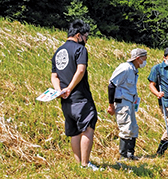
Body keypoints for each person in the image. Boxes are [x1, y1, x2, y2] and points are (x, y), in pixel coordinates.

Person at [51, 19, 99, 170]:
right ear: (79, 35)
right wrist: (71, 88)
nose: (86, 40)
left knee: (74, 131)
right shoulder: (80, 49)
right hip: (80, 96)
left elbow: (54, 76)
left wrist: (60, 90)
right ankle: (85, 164)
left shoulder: (58, 52)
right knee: (87, 128)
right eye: (86, 36)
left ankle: (79, 164)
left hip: (65, 99)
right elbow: (80, 70)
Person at [107, 48, 147, 160]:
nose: (145, 62)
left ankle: (130, 154)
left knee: (133, 127)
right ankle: (123, 155)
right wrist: (111, 105)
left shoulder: (134, 70)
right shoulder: (125, 68)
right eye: (144, 59)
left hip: (130, 102)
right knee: (125, 127)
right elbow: (112, 85)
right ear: (138, 58)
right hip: (122, 102)